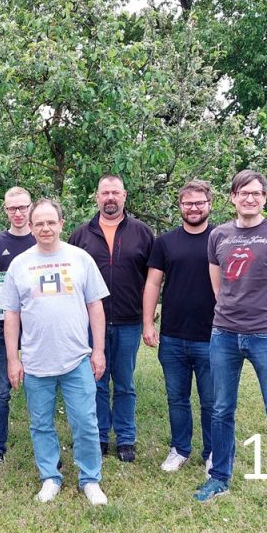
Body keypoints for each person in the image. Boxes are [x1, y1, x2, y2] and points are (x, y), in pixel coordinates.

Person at [193, 169, 267, 522]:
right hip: (224, 335)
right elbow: (218, 288)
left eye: (256, 193)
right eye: (243, 193)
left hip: (266, 336)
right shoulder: (219, 236)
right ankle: (219, 477)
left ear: (264, 197)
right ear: (233, 198)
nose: (250, 198)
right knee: (221, 409)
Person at [0, 199, 110, 505]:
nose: (45, 228)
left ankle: (90, 479)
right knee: (40, 424)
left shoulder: (80, 258)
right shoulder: (19, 264)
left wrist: (98, 350)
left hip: (76, 359)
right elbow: (11, 314)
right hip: (36, 362)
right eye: (39, 223)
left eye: (51, 222)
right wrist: (13, 359)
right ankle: (50, 476)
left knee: (86, 422)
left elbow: (95, 306)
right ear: (31, 227)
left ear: (62, 223)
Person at [69, 175, 154, 462]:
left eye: (115, 192)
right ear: (97, 197)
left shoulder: (142, 233)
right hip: (90, 323)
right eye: (105, 193)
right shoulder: (80, 236)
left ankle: (126, 438)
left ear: (124, 196)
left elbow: (152, 280)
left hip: (129, 321)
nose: (110, 198)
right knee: (96, 380)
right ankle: (100, 436)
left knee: (125, 383)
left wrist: (147, 320)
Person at [142, 180, 216, 473]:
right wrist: (148, 323)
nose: (193, 208)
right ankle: (179, 449)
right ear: (180, 206)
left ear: (210, 204)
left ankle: (212, 452)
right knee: (177, 398)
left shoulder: (221, 239)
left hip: (213, 336)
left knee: (212, 401)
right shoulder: (165, 242)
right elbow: (153, 283)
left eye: (199, 202)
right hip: (173, 336)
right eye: (188, 203)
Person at [0, 186, 36, 468]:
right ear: (5, 210)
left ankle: (44, 448)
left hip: (38, 329)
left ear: (30, 208)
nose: (18, 213)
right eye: (12, 208)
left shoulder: (41, 238)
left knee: (39, 390)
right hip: (5, 328)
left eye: (22, 207)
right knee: (1, 391)